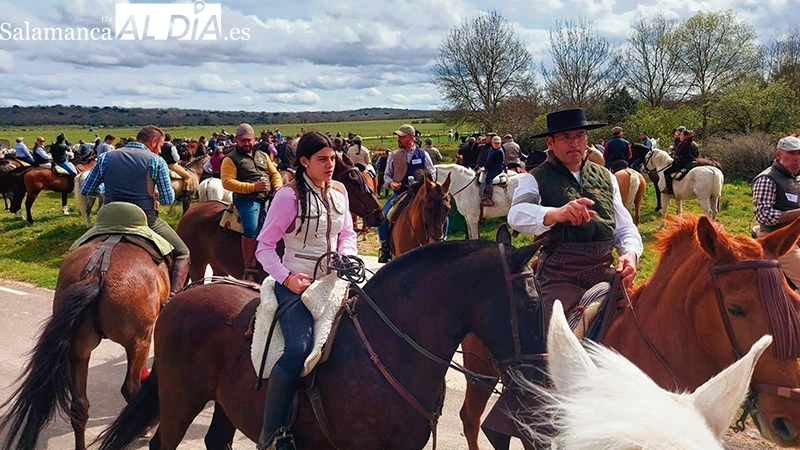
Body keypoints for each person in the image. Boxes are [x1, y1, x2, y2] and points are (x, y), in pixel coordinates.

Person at [254, 131, 358, 450]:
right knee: (298, 349)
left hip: (334, 279)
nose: (330, 165)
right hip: (295, 284)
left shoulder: (340, 191)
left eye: (332, 158)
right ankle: (273, 432)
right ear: (304, 162)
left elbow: (347, 232)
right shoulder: (289, 196)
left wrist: (347, 255)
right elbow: (264, 247)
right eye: (322, 159)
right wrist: (286, 278)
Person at [80, 125, 191, 297]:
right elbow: (167, 199)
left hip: (108, 218)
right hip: (145, 218)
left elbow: (87, 189)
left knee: (78, 249)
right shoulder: (156, 161)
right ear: (154, 141)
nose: (160, 149)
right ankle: (174, 297)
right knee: (183, 252)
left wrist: (106, 190)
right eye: (160, 145)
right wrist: (154, 194)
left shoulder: (105, 157)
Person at [220, 123, 283, 282]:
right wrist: (252, 187)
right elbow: (227, 182)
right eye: (243, 140)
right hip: (247, 200)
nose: (247, 143)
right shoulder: (230, 159)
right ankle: (250, 267)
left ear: (254, 139)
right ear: (237, 140)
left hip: (268, 196)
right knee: (251, 227)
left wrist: (277, 187)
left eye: (249, 140)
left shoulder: (263, 155)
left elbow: (274, 173)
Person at [377, 124, 436, 263]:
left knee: (443, 218)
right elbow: (387, 176)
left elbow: (432, 172)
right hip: (401, 193)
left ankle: (440, 242)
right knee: (384, 216)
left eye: (401, 136)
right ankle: (385, 247)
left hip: (420, 194)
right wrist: (391, 183)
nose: (399, 139)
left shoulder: (423, 154)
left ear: (411, 137)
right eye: (398, 136)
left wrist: (428, 184)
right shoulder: (393, 155)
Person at [752, 136, 800, 288]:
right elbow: (763, 215)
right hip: (776, 237)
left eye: (799, 153)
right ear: (778, 155)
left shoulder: (795, 178)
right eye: (791, 153)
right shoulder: (767, 179)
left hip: (794, 234)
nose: (797, 158)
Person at [661, 128, 699, 195]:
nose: (680, 137)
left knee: (666, 172)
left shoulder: (682, 144)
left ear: (685, 136)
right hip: (693, 163)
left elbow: (677, 155)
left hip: (682, 163)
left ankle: (669, 189)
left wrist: (672, 156)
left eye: (681, 135)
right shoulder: (695, 144)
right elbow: (697, 155)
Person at [476, 136, 505, 206]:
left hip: (496, 168)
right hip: (491, 167)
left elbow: (490, 163)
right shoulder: (491, 149)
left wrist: (482, 169)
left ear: (500, 143)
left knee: (488, 178)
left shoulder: (498, 152)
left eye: (498, 143)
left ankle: (489, 198)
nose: (496, 145)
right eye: (495, 143)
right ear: (492, 143)